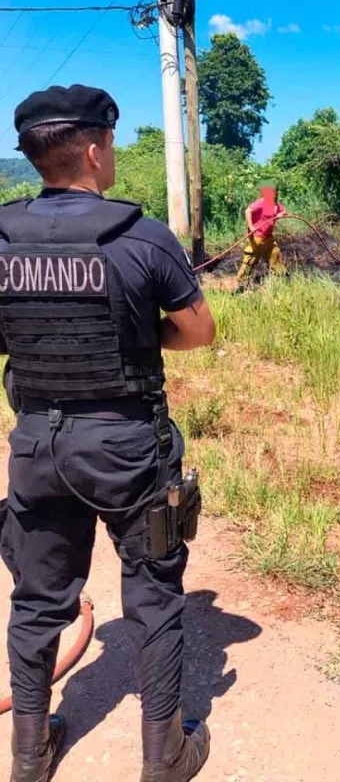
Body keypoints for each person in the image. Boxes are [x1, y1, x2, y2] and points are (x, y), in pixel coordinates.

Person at [0, 85, 216, 782]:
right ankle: (164, 758)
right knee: (152, 594)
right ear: (94, 150)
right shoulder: (141, 236)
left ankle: (29, 757)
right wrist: (137, 338)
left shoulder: (2, 237)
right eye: (113, 142)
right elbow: (198, 332)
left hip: (37, 442)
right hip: (125, 447)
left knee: (37, 602)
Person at [236, 184, 287, 284]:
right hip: (257, 236)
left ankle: (281, 279)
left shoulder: (275, 205)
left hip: (268, 237)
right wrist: (251, 226)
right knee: (251, 259)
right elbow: (248, 211)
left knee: (275, 253)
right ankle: (242, 284)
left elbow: (283, 212)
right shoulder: (262, 202)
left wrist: (280, 215)